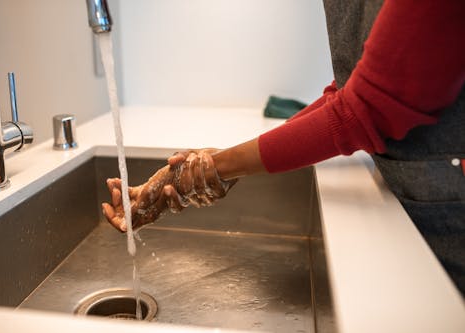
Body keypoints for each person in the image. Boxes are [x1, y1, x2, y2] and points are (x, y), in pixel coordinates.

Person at [102, 0, 465, 294]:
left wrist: (219, 167)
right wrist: (224, 159)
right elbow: (348, 92)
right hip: (413, 192)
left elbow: (370, 106)